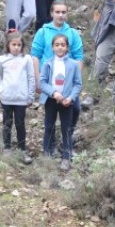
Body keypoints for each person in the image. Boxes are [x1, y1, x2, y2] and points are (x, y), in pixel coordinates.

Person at [31, 0, 84, 136]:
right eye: (57, 12)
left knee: (75, 109)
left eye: (63, 12)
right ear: (52, 13)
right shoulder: (43, 32)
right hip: (48, 81)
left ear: (67, 14)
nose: (60, 15)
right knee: (51, 114)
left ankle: (67, 138)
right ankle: (50, 143)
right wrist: (37, 80)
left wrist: (76, 81)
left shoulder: (73, 33)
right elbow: (35, 56)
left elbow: (78, 57)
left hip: (68, 81)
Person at [39, 34, 82, 171]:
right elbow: (42, 82)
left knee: (66, 129)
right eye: (57, 45)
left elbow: (77, 84)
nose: (60, 47)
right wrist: (54, 93)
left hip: (66, 102)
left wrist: (71, 98)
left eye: (63, 45)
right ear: (52, 47)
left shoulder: (73, 65)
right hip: (51, 100)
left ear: (67, 47)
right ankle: (47, 154)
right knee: (49, 126)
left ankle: (66, 156)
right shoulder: (47, 63)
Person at [0, 33, 35, 164]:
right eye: (14, 44)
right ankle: (7, 148)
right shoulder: (2, 59)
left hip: (21, 99)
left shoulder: (26, 59)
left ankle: (22, 150)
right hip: (7, 98)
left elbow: (31, 77)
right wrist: (1, 88)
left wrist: (30, 95)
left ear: (22, 46)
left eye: (19, 45)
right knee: (7, 123)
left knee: (20, 124)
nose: (16, 47)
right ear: (8, 45)